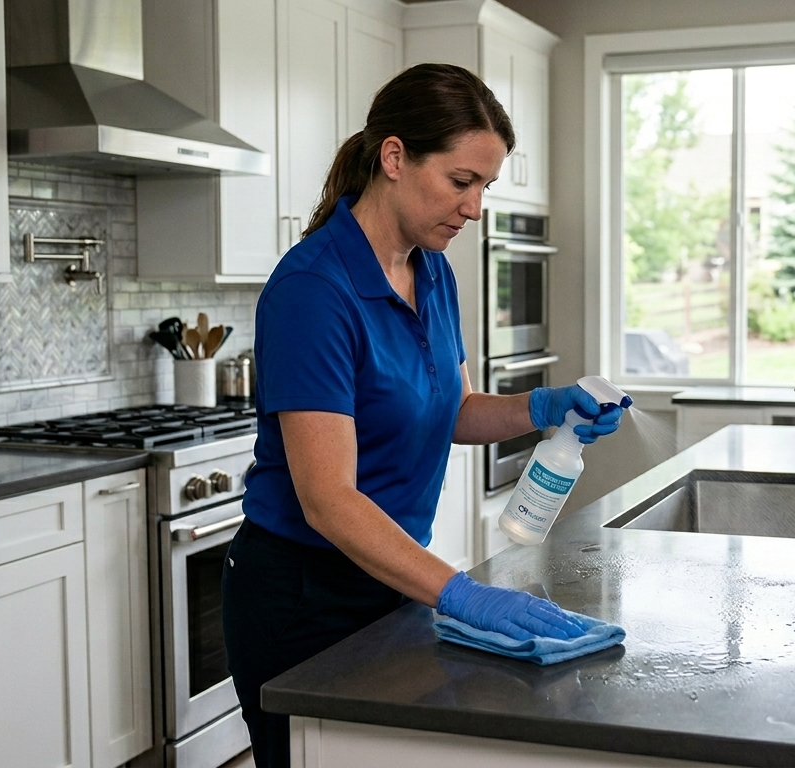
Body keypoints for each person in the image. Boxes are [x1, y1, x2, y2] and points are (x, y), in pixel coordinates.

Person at [221, 62, 627, 767]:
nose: (474, 209)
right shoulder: (314, 290)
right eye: (461, 182)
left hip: (391, 582)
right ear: (395, 157)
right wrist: (460, 592)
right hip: (303, 600)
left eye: (485, 189)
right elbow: (328, 500)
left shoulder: (430, 268)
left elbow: (455, 408)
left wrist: (544, 407)